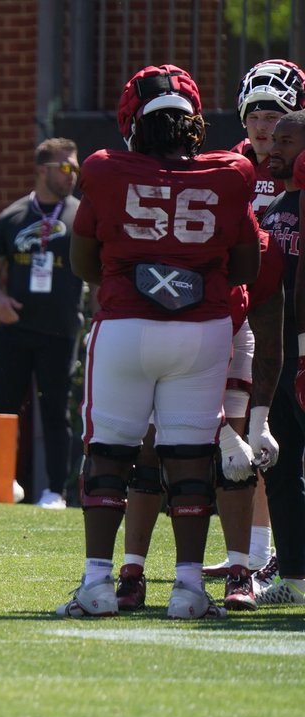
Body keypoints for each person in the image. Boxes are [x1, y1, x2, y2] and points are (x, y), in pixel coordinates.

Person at [56, 64, 260, 620]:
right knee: (191, 456)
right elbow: (246, 264)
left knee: (109, 453)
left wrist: (139, 270)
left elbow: (82, 262)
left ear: (132, 122)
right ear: (194, 122)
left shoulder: (103, 169)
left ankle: (98, 583)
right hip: (204, 330)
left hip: (126, 324)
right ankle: (189, 590)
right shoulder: (232, 172)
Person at [113, 60, 305, 612]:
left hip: (272, 319)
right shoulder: (229, 168)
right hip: (224, 314)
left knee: (257, 438)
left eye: (278, 115)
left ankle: (257, 557)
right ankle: (143, 567)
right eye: (257, 112)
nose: (266, 125)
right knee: (175, 444)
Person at [0, 138, 84, 510]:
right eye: (66, 167)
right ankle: (2, 482)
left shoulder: (80, 216)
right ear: (42, 170)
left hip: (61, 330)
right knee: (3, 408)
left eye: (76, 168)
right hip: (16, 328)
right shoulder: (11, 217)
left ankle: (56, 490)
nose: (73, 175)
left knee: (56, 410)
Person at [252, 109, 305, 606]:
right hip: (281, 358)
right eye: (275, 141)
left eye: (288, 142)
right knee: (281, 468)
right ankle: (294, 576)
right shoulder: (272, 210)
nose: (275, 150)